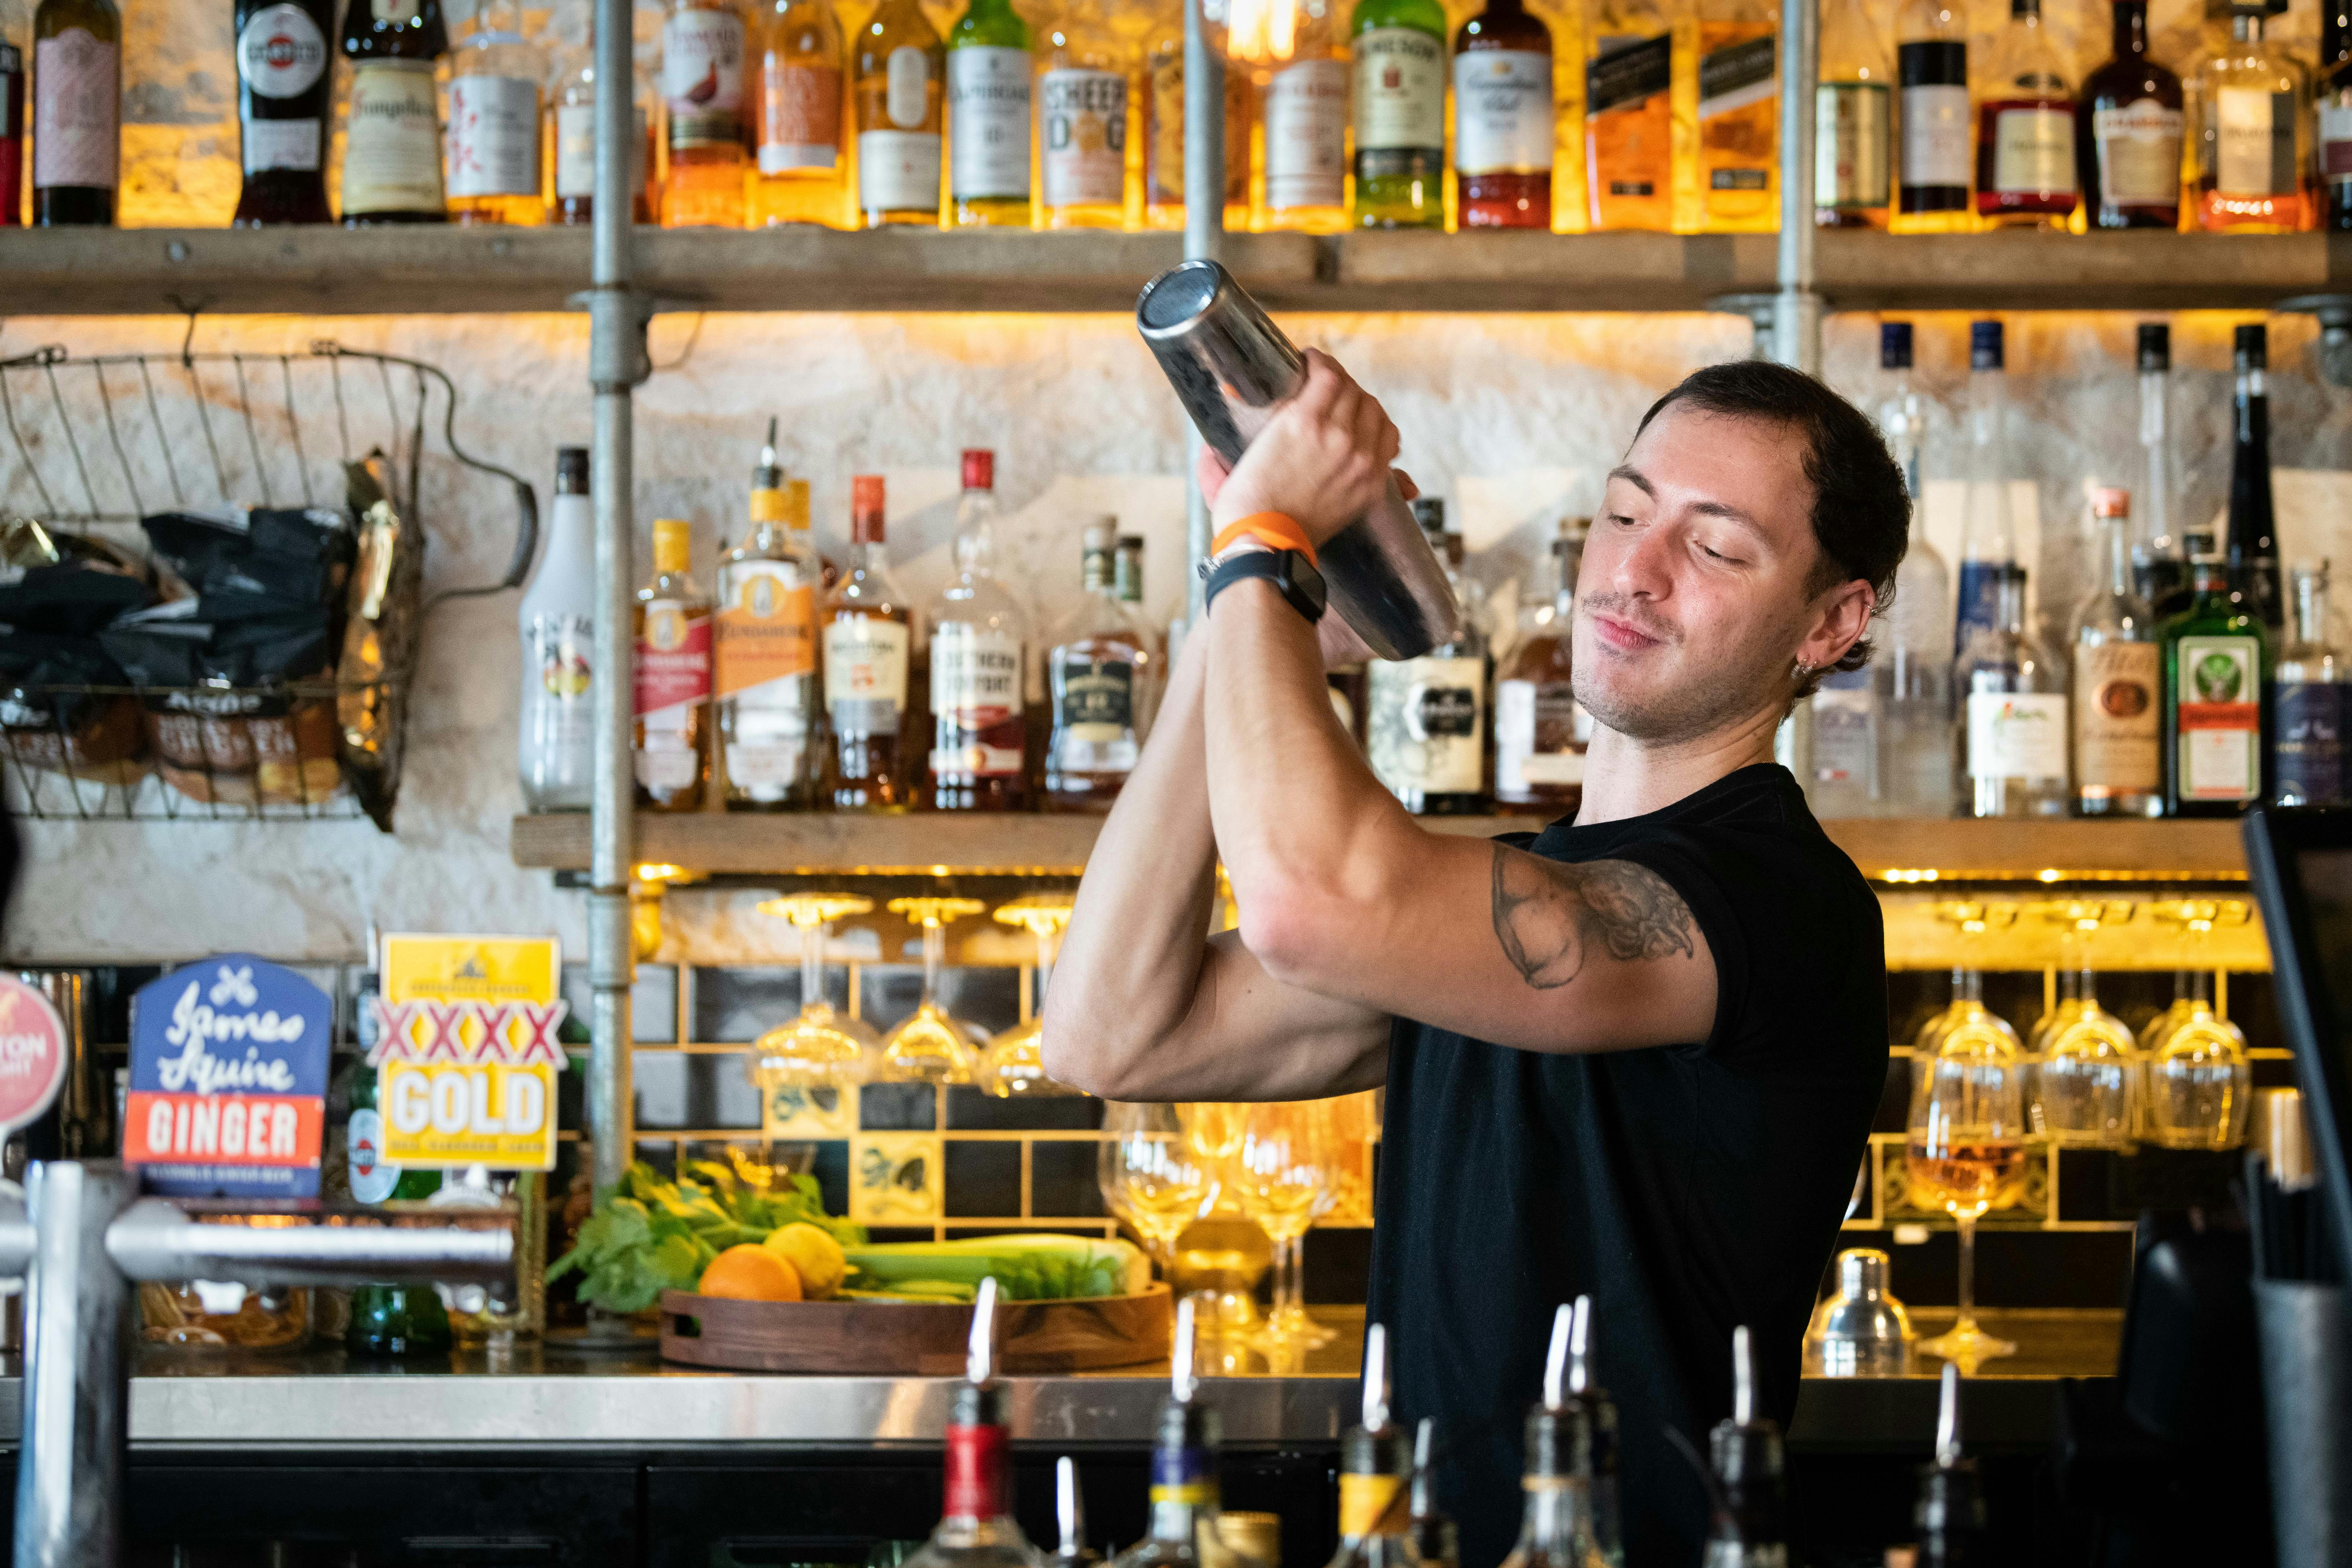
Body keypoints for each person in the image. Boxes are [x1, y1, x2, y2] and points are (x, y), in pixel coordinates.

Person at [1043, 353, 1903, 1568]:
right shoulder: (1485, 897)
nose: (1633, 572)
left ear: (1831, 622)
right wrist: (1251, 618)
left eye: (1713, 548)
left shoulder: (1779, 904)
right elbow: (1110, 1033)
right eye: (1620, 512)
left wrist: (1264, 551)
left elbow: (1311, 900)